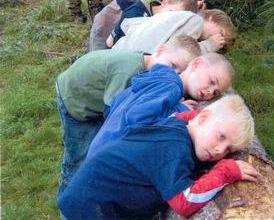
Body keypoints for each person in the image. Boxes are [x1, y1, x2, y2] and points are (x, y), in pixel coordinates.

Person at [57, 94, 258, 219]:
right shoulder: (174, 148)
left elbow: (177, 117)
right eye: (221, 136)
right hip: (90, 208)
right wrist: (225, 171)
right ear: (202, 118)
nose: (219, 151)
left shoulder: (176, 127)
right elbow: (183, 202)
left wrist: (192, 115)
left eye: (228, 150)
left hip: (91, 197)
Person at [55, 35, 201, 197]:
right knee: (78, 157)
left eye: (180, 72)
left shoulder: (151, 69)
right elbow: (113, 114)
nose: (174, 74)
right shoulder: (128, 71)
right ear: (160, 51)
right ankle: (68, 202)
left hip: (97, 97)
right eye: (173, 66)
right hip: (76, 98)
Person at [87, 52, 235, 157]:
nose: (210, 91)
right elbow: (137, 118)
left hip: (102, 145)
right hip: (111, 156)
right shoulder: (171, 87)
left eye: (215, 92)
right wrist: (179, 110)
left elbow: (119, 101)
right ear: (196, 63)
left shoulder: (160, 78)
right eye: (211, 81)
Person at [89, 0, 204, 51]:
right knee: (95, 54)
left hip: (114, 31)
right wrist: (135, 13)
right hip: (105, 24)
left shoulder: (159, 3)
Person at [112, 8, 236, 54]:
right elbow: (181, 52)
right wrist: (208, 46)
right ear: (211, 18)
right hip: (132, 57)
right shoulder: (196, 21)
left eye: (221, 43)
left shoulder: (181, 16)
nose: (217, 40)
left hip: (122, 49)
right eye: (220, 34)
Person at [106, 0, 198, 47]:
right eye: (171, 12)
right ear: (165, 2)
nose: (170, 19)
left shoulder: (160, 21)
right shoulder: (135, 15)